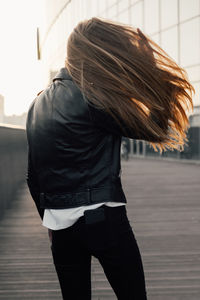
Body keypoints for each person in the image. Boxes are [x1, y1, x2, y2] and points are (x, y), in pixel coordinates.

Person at [26, 17, 194, 300]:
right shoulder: (94, 98)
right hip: (104, 220)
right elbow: (155, 129)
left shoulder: (36, 104)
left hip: (60, 227)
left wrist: (50, 219)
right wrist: (150, 68)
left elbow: (33, 177)